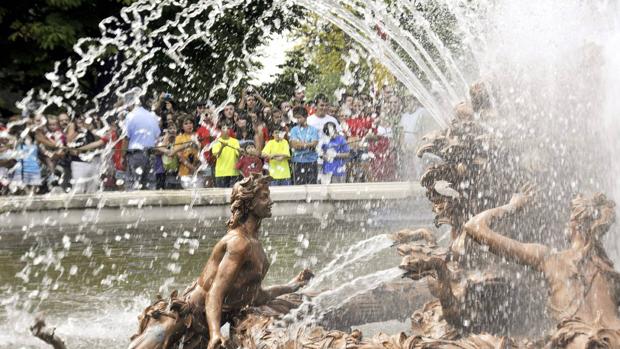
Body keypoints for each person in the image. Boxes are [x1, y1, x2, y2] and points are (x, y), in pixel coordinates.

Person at [127, 174, 312, 349]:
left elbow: (256, 296)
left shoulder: (255, 245)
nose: (270, 202)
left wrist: (292, 286)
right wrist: (216, 333)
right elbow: (215, 292)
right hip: (181, 321)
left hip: (203, 329)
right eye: (264, 197)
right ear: (248, 203)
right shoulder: (239, 243)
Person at [464, 186, 620, 348]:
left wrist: (512, 206)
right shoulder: (613, 275)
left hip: (575, 342)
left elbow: (474, 226)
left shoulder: (550, 259)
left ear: (575, 224)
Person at [123, 96, 161, 190]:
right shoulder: (152, 116)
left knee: (133, 184)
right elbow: (157, 136)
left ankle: (132, 204)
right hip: (151, 155)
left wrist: (122, 156)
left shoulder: (130, 116)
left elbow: (126, 137)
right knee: (150, 185)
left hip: (136, 154)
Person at [288, 106, 319, 185]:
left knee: (312, 185)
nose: (298, 120)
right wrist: (308, 144)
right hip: (298, 161)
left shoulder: (313, 129)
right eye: (296, 118)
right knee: (299, 186)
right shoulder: (294, 130)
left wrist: (301, 144)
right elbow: (294, 145)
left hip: (311, 161)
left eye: (300, 118)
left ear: (305, 117)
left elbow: (314, 144)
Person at [174, 116, 201, 189]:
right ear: (182, 127)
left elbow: (202, 152)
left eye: (190, 123)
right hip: (184, 171)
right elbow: (179, 156)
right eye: (186, 123)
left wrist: (196, 167)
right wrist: (191, 167)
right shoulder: (179, 138)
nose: (189, 125)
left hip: (198, 170)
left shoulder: (198, 136)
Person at [211, 122, 240, 188]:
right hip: (221, 173)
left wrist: (241, 151)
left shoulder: (235, 141)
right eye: (224, 128)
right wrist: (222, 147)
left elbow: (238, 156)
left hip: (233, 173)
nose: (226, 130)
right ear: (220, 130)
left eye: (228, 128)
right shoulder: (216, 142)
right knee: (221, 196)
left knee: (233, 195)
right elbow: (217, 156)